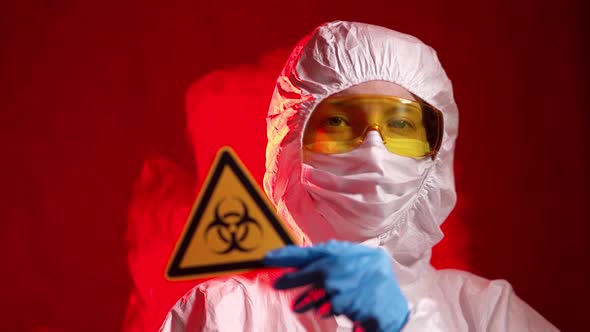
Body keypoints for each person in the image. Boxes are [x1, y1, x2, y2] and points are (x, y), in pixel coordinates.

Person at [159, 21, 558, 331]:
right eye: (338, 121)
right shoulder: (224, 315)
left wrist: (406, 324)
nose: (374, 148)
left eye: (400, 126)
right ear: (290, 145)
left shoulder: (486, 313)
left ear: (437, 151)